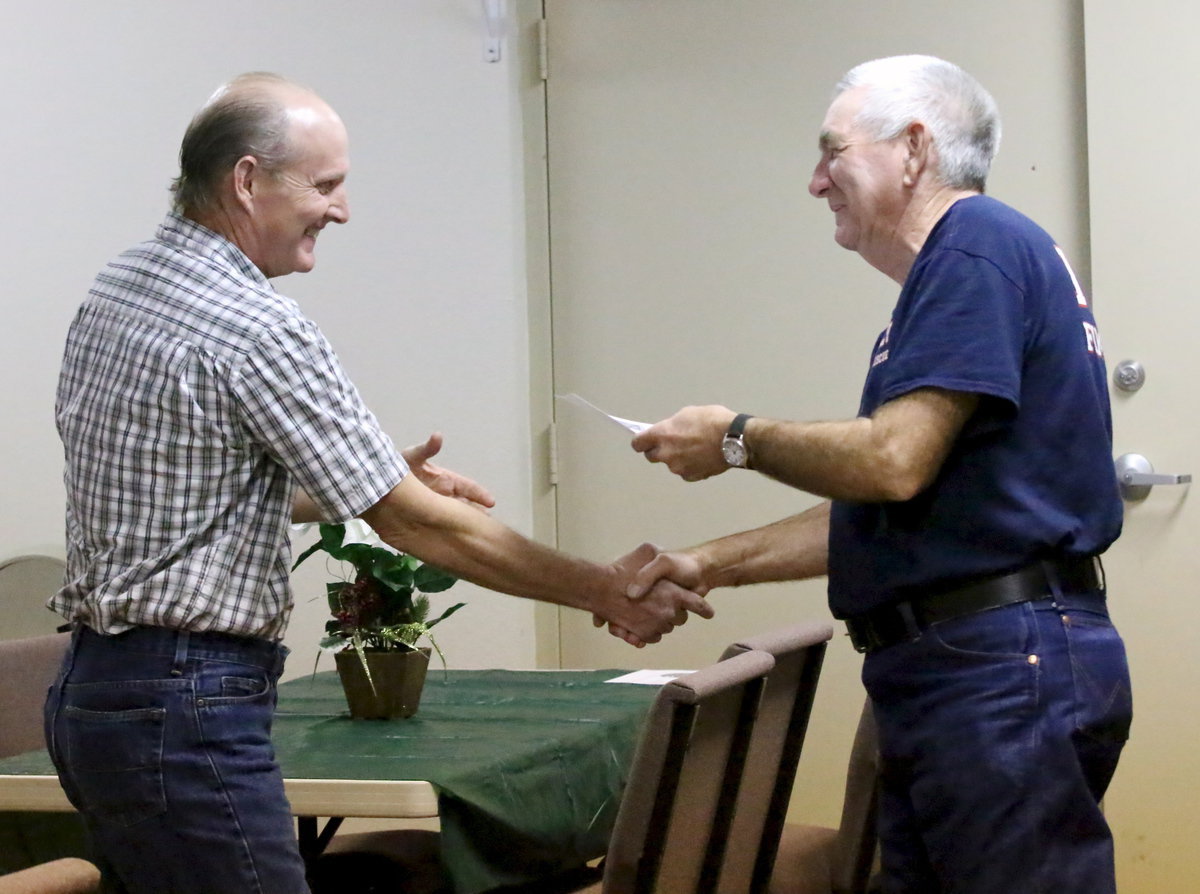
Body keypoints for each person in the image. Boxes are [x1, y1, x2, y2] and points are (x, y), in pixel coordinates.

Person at [46, 72, 713, 894]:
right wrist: (603, 589)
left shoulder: (121, 287)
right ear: (247, 180)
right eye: (325, 185)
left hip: (97, 697)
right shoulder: (255, 325)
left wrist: (359, 478)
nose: (342, 210)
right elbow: (416, 524)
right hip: (184, 709)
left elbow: (187, 495)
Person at [621, 55, 1131, 893]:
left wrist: (735, 438)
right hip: (973, 666)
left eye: (834, 151)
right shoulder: (967, 264)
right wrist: (709, 563)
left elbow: (892, 462)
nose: (816, 181)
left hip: (999, 668)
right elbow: (898, 503)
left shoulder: (975, 247)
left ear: (914, 150)